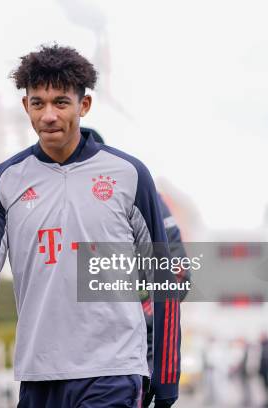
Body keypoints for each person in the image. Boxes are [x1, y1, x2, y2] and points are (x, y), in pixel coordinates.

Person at [0, 44, 180, 407]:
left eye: (60, 102)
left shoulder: (129, 175)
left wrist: (167, 372)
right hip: (39, 374)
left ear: (83, 106)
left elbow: (162, 276)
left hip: (113, 369)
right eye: (38, 103)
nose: (48, 115)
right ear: (26, 106)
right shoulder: (3, 181)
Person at [83, 126, 190, 407]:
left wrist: (143, 302)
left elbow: (178, 273)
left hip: (135, 342)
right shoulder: (58, 198)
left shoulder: (137, 190)